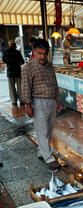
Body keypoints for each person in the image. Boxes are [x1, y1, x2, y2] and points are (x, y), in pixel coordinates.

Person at [21, 38, 63, 170]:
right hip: (38, 102)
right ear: (34, 52)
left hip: (51, 101)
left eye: (45, 53)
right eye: (40, 53)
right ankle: (49, 158)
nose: (43, 56)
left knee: (49, 130)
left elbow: (54, 84)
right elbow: (25, 87)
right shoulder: (28, 67)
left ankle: (42, 151)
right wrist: (28, 105)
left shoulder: (49, 66)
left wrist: (58, 101)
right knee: (42, 130)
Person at [3, 40, 24, 105]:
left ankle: (14, 101)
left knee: (11, 87)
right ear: (15, 45)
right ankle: (21, 101)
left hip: (10, 72)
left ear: (9, 45)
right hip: (17, 72)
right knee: (20, 87)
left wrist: (9, 62)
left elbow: (4, 60)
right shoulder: (17, 52)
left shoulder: (6, 52)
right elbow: (22, 62)